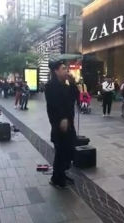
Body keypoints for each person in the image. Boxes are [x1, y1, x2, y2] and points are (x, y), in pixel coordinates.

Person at [45, 61, 79, 189]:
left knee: (70, 148)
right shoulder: (51, 86)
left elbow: (73, 98)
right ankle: (56, 178)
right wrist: (62, 119)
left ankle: (61, 173)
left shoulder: (64, 85)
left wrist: (72, 84)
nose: (66, 71)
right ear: (56, 71)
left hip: (68, 121)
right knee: (61, 150)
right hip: (59, 122)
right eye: (64, 69)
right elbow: (55, 105)